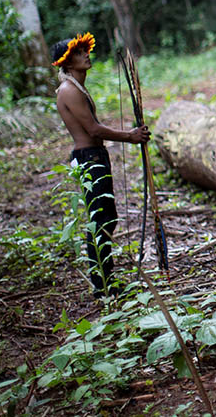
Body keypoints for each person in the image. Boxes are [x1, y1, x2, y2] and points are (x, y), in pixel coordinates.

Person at [51, 32, 150, 297]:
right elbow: (93, 129)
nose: (86, 55)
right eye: (79, 53)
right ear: (67, 63)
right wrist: (130, 137)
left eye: (85, 51)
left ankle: (105, 280)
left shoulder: (75, 87)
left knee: (106, 218)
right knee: (101, 220)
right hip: (89, 158)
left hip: (94, 157)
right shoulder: (69, 90)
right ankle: (102, 284)